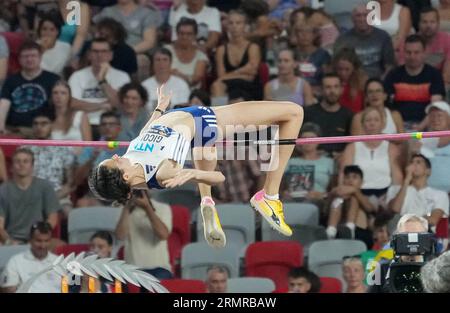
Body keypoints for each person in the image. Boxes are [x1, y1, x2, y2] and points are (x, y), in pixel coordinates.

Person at [89, 86, 304, 248]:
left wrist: (159, 108)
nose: (116, 155)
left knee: (204, 148)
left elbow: (147, 132)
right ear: (126, 177)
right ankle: (269, 196)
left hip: (191, 123)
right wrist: (192, 172)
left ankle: (206, 201)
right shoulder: (163, 174)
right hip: (205, 121)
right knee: (294, 113)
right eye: (113, 161)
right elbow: (218, 177)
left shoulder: (130, 160)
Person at [68, 38, 131, 137]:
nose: (99, 55)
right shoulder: (77, 76)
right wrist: (101, 106)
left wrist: (102, 81)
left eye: (104, 51)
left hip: (112, 126)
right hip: (83, 125)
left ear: (111, 55)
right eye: (95, 51)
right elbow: (72, 103)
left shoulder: (122, 77)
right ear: (89, 55)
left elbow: (119, 104)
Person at [340, 107, 403, 204]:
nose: (372, 123)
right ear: (362, 124)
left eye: (376, 120)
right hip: (357, 195)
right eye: (368, 120)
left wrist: (393, 199)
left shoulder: (391, 148)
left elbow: (397, 178)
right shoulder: (351, 148)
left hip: (384, 194)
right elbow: (343, 174)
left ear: (382, 124)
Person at [384, 35, 446, 130]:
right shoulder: (393, 75)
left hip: (426, 126)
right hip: (398, 127)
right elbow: (386, 106)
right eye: (408, 52)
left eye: (416, 52)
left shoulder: (434, 75)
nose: (412, 56)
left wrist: (420, 127)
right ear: (403, 53)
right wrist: (400, 129)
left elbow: (435, 107)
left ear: (424, 53)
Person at [0, 148, 60, 244]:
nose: (21, 164)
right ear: (11, 167)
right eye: (17, 161)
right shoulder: (3, 190)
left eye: (25, 161)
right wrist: (9, 242)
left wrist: (39, 238)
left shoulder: (45, 186)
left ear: (32, 166)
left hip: (39, 239)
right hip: (11, 239)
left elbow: (52, 218)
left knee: (60, 246)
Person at [0, 41, 60, 137]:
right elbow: (4, 104)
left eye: (33, 56)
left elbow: (61, 105)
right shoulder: (11, 80)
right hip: (15, 129)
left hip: (44, 130)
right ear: (19, 59)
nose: (29, 59)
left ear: (40, 57)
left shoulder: (53, 79)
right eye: (25, 56)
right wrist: (1, 127)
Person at [93, 0, 159, 81]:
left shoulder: (147, 13)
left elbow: (149, 41)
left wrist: (127, 52)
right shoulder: (107, 11)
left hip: (136, 52)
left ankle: (137, 91)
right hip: (107, 51)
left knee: (141, 61)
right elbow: (96, 32)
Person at [115, 189, 173, 279]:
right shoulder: (123, 210)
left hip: (160, 268)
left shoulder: (163, 208)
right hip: (132, 268)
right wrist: (127, 207)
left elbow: (163, 235)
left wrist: (147, 208)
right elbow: (120, 236)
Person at [74, 111, 127, 207]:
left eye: (111, 124)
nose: (107, 127)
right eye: (104, 124)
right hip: (95, 195)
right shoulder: (90, 149)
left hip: (122, 195)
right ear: (99, 128)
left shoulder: (127, 149)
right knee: (82, 204)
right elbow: (77, 180)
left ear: (119, 128)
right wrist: (92, 158)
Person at [28, 112, 76, 216]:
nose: (39, 127)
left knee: (70, 214)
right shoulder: (24, 149)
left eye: (44, 124)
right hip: (30, 197)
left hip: (58, 196)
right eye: (35, 124)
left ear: (52, 125)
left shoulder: (64, 149)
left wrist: (53, 197)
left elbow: (71, 183)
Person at [211, 10, 262, 103]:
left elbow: (252, 72)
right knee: (216, 85)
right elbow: (221, 76)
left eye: (238, 23)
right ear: (227, 26)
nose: (234, 26)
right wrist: (243, 72)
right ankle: (218, 115)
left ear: (245, 26)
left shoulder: (253, 47)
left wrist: (232, 74)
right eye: (231, 23)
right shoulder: (221, 49)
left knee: (237, 99)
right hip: (230, 86)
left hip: (249, 86)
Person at [386, 153, 449, 229]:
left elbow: (433, 220)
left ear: (428, 171)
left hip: (426, 234)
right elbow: (395, 209)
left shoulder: (440, 194)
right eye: (411, 162)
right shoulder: (395, 189)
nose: (413, 165)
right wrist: (406, 181)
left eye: (418, 162)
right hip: (400, 233)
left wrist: (409, 221)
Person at [334, 4, 395, 79]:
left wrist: (381, 82)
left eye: (366, 15)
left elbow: (389, 66)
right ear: (352, 19)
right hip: (352, 83)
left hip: (378, 82)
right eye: (358, 16)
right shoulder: (342, 39)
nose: (362, 19)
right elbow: (336, 66)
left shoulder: (383, 36)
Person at [281, 123, 335, 202]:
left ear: (319, 140)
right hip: (291, 200)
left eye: (312, 138)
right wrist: (283, 194)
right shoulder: (290, 162)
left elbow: (334, 189)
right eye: (304, 138)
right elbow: (280, 187)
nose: (308, 141)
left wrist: (323, 195)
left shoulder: (328, 162)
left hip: (319, 201)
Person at [0, 222, 60, 293]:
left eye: (46, 241)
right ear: (30, 240)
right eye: (38, 241)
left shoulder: (60, 262)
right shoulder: (15, 261)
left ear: (51, 241)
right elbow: (8, 289)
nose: (43, 246)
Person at [303, 73, 353, 156]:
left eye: (336, 87)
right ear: (321, 90)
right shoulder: (308, 113)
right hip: (313, 159)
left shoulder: (348, 115)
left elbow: (351, 144)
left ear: (341, 89)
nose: (332, 91)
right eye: (328, 87)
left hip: (339, 160)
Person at [326, 165, 376, 248]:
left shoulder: (368, 197)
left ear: (362, 182)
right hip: (339, 232)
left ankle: (350, 227)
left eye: (354, 177)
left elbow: (370, 209)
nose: (350, 180)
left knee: (354, 198)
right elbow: (326, 209)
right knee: (338, 199)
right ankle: (331, 231)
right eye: (347, 177)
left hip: (360, 232)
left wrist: (355, 191)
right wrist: (333, 193)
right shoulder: (335, 195)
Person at [165, 18, 209, 89]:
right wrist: (187, 78)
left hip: (191, 94)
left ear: (195, 35)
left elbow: (195, 80)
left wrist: (176, 74)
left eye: (189, 34)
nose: (184, 37)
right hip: (167, 89)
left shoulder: (201, 56)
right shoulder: (166, 50)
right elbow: (161, 73)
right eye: (181, 33)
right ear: (177, 34)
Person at [293, 19, 331, 94]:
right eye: (301, 31)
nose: (304, 35)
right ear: (296, 35)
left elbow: (328, 79)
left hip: (317, 93)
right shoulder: (291, 54)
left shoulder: (323, 55)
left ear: (314, 35)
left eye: (308, 31)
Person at [416, 7, 450, 88]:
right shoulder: (410, 42)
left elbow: (446, 75)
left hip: (440, 83)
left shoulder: (447, 40)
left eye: (432, 22)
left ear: (438, 24)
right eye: (424, 22)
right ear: (418, 24)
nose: (428, 25)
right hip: (415, 84)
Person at [330, 47, 368, 113]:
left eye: (347, 69)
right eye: (340, 69)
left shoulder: (361, 81)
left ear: (354, 68)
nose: (343, 73)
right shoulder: (330, 80)